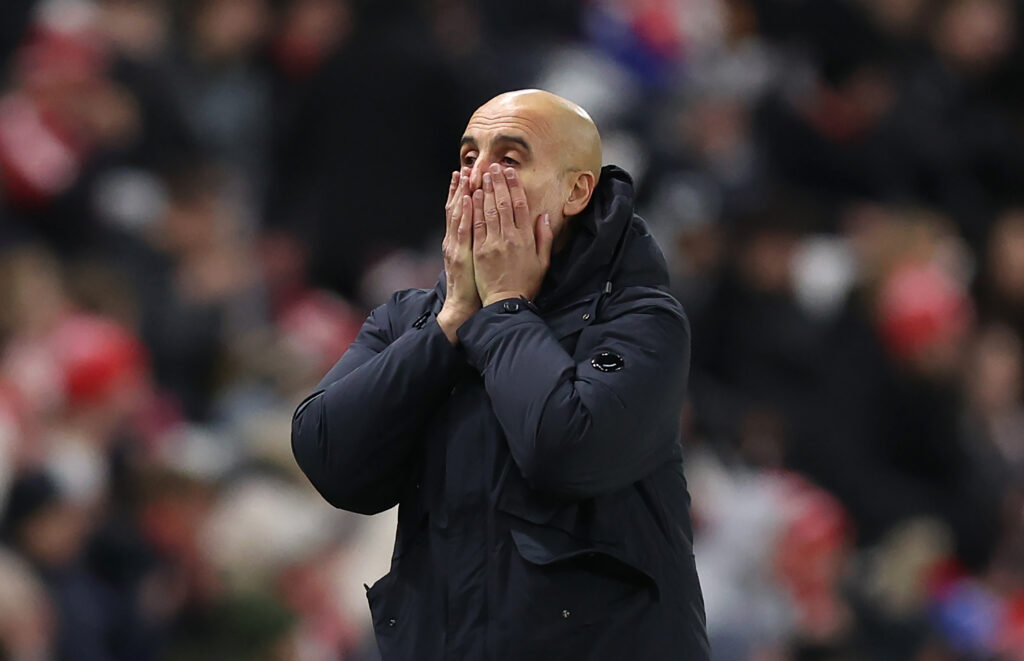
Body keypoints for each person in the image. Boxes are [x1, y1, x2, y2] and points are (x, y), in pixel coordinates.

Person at [291, 89, 710, 661]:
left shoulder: (640, 318)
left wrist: (505, 306)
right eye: (467, 159)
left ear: (576, 191)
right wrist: (450, 325)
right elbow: (328, 455)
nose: (478, 177)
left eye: (509, 159)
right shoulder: (412, 319)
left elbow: (566, 447)